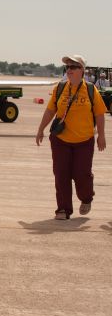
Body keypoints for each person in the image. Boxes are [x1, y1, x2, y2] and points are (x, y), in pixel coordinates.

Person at [35, 54, 107, 220]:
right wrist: (41, 129)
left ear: (82, 70)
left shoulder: (90, 89)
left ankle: (87, 197)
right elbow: (50, 111)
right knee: (61, 174)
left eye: (73, 67)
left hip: (84, 141)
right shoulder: (60, 88)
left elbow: (100, 114)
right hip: (60, 140)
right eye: (67, 67)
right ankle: (63, 209)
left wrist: (101, 136)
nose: (69, 70)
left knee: (82, 174)